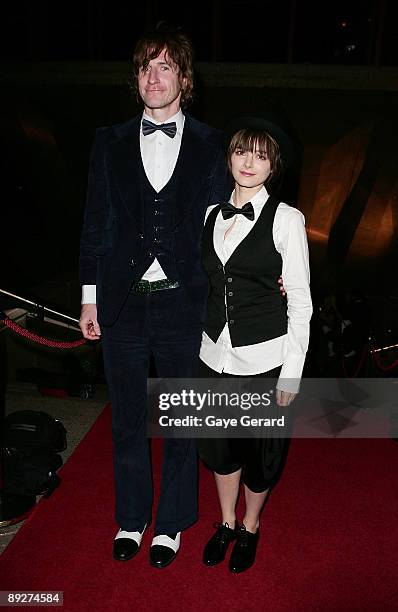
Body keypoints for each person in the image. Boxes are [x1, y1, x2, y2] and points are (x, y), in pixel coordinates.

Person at [79, 23, 229, 568]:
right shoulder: (108, 141)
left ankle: (171, 525)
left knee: (183, 421)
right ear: (136, 79)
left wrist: (263, 273)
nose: (155, 76)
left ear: (184, 79)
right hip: (122, 303)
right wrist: (90, 298)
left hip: (183, 304)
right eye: (146, 67)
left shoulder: (214, 143)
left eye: (166, 66)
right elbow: (94, 225)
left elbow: (224, 228)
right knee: (126, 420)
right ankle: (132, 518)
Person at [197, 116, 312, 573]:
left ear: (273, 165)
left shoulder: (287, 219)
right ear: (230, 157)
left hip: (265, 358)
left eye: (261, 155)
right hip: (212, 356)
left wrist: (292, 372)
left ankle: (249, 525)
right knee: (220, 449)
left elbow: (301, 301)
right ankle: (225, 522)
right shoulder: (210, 214)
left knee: (261, 456)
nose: (249, 162)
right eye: (242, 151)